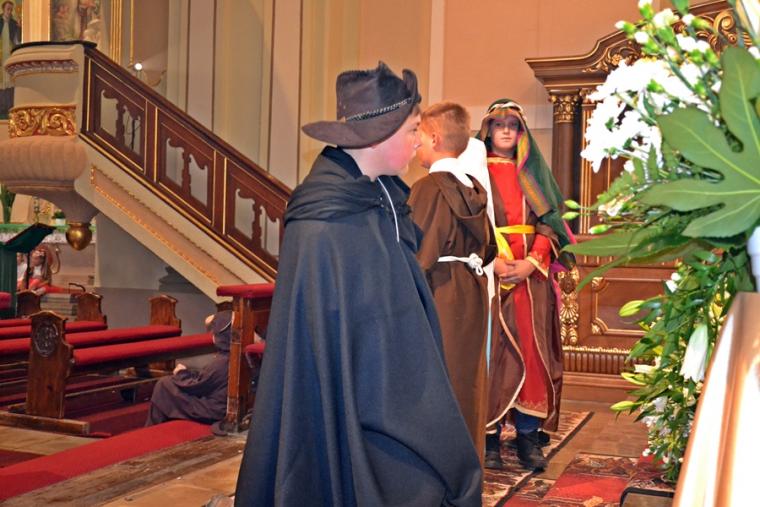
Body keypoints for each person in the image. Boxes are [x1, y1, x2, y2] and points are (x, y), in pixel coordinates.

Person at [234, 62, 482, 506]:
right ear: (378, 136)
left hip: (388, 378)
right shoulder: (323, 219)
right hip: (360, 388)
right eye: (412, 130)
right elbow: (328, 330)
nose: (417, 141)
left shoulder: (380, 196)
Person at [475, 99, 575, 472]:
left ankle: (528, 438)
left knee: (533, 355)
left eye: (513, 125)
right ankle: (488, 438)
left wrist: (533, 261)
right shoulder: (474, 172)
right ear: (487, 130)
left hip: (530, 281)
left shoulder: (532, 174)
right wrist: (494, 262)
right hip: (490, 277)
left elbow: (550, 221)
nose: (505, 130)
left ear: (522, 132)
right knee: (492, 357)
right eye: (498, 123)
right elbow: (469, 222)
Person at [408, 102, 496, 465]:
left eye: (418, 135)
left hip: (440, 292)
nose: (415, 143)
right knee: (467, 380)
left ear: (434, 138)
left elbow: (418, 253)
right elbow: (488, 248)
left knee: (437, 381)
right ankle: (468, 464)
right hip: (471, 289)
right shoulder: (474, 187)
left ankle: (437, 470)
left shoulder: (429, 188)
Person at [145, 310, 232, 426]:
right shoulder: (236, 355)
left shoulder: (223, 361)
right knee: (169, 385)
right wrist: (187, 373)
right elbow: (207, 379)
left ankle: (153, 427)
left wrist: (181, 373)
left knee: (164, 385)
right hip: (222, 407)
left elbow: (197, 386)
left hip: (212, 411)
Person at [0, 0, 21, 118]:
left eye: (11, 9)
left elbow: (17, 41)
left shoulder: (13, 23)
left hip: (9, 54)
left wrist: (19, 28)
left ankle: (8, 105)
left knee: (9, 77)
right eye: (7, 9)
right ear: (3, 9)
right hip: (0, 53)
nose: (9, 11)